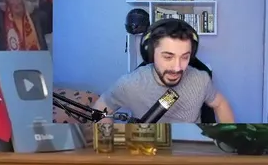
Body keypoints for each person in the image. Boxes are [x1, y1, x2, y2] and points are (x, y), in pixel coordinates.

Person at [99, 18, 234, 123]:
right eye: (168, 57)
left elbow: (220, 103)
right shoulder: (130, 84)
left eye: (184, 57)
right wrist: (107, 140)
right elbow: (100, 110)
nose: (177, 68)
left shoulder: (200, 80)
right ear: (151, 54)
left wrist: (230, 137)